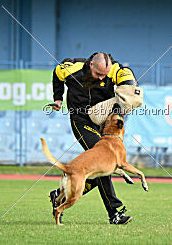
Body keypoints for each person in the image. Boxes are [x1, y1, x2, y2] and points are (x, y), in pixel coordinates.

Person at [49, 52, 137, 224]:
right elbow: (57, 74)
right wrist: (58, 98)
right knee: (103, 160)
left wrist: (129, 91)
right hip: (80, 120)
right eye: (98, 74)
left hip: (103, 122)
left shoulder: (115, 70)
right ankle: (115, 213)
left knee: (101, 169)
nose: (102, 78)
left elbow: (129, 80)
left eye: (105, 75)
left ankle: (59, 195)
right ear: (90, 65)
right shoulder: (71, 68)